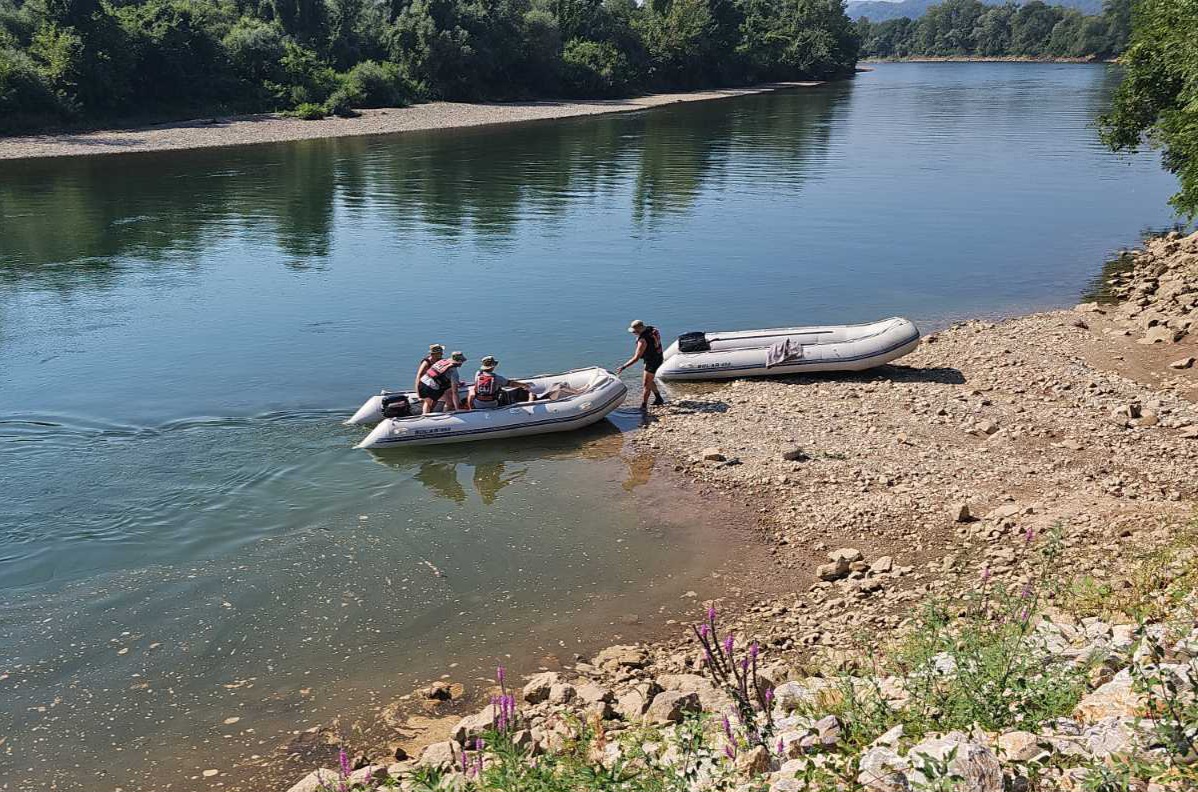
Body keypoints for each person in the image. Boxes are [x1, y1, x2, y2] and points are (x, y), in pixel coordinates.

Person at [616, 319, 665, 410]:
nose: (634, 333)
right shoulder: (653, 329)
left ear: (639, 330)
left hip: (652, 361)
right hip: (658, 357)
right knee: (649, 380)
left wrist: (624, 367)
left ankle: (643, 406)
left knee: (646, 384)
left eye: (635, 331)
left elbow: (636, 358)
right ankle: (658, 398)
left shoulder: (642, 340)